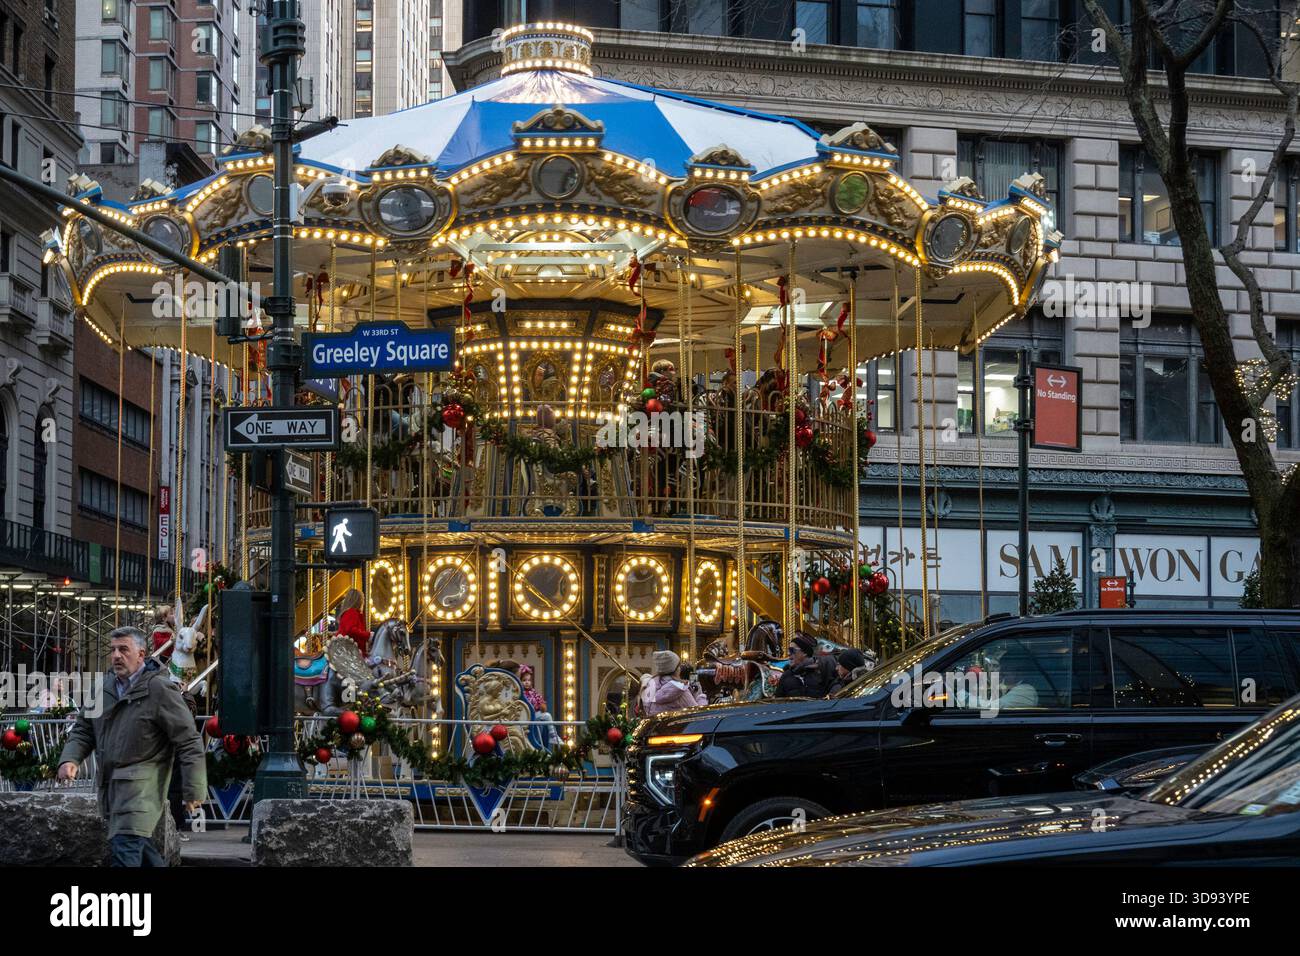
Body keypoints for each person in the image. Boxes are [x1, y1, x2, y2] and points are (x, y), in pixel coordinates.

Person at [57, 626, 207, 867]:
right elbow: (84, 728)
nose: (116, 655)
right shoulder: (103, 687)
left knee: (125, 848)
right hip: (112, 789)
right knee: (142, 852)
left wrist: (194, 790)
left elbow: (189, 740)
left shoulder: (159, 689)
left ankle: (121, 906)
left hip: (142, 790)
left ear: (141, 654)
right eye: (113, 650)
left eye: (123, 649)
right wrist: (70, 759)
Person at [638, 650, 707, 716]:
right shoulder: (679, 689)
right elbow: (698, 714)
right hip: (677, 728)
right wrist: (700, 696)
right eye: (679, 666)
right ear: (676, 669)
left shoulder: (649, 686)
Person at [775, 632, 835, 698]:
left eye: (792, 650)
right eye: (788, 650)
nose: (789, 654)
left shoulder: (820, 671)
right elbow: (778, 700)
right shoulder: (786, 675)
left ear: (804, 653)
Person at [519, 664, 563, 747]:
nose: (527, 682)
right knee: (545, 718)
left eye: (529, 680)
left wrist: (541, 705)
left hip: (534, 715)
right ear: (520, 681)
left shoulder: (533, 692)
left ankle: (549, 737)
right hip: (525, 716)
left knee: (544, 718)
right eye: (524, 680)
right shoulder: (520, 693)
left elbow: (540, 700)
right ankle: (547, 738)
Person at [335, 588, 371, 657]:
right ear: (357, 601)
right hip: (349, 650)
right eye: (362, 600)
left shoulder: (351, 613)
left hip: (351, 649)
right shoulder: (351, 612)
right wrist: (368, 635)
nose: (363, 602)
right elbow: (350, 630)